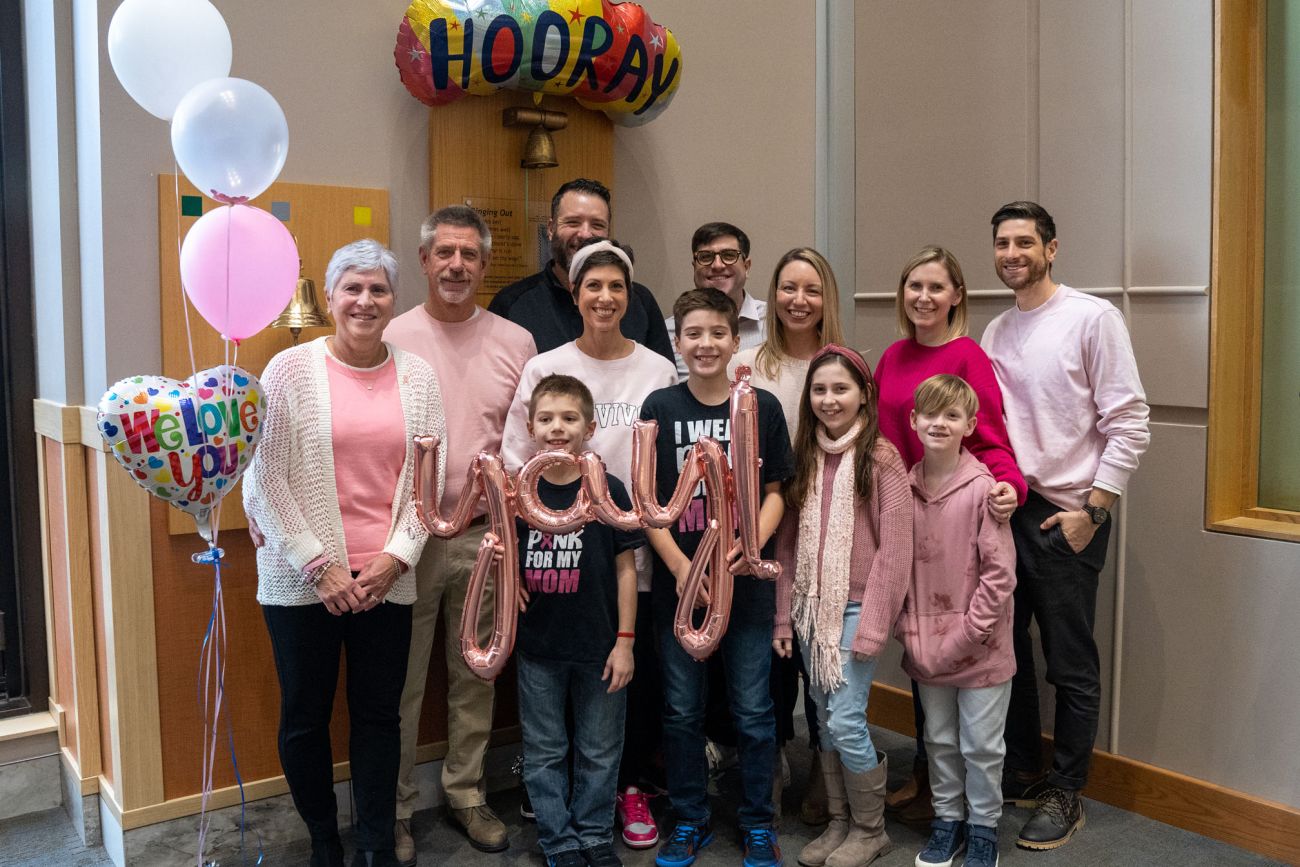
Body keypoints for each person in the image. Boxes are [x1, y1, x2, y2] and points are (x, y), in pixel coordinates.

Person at [244, 240, 445, 867]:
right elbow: (263, 479)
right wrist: (319, 565)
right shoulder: (288, 370)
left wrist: (397, 558)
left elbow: (428, 482)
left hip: (386, 578)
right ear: (329, 299)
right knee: (305, 717)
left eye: (378, 289)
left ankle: (379, 844)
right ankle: (325, 842)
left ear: (394, 300)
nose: (365, 300)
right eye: (352, 289)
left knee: (380, 718)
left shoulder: (419, 375)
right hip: (302, 582)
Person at [981, 201, 1149, 850]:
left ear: (1052, 249)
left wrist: (1094, 511)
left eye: (1025, 241)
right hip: (1011, 508)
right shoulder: (997, 331)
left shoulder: (1091, 318)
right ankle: (1023, 768)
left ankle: (1066, 790)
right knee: (1008, 649)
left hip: (1069, 515)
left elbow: (1130, 420)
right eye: (1002, 242)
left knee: (1070, 662)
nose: (1012, 252)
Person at [500, 238, 677, 850]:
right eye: (592, 286)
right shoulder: (544, 367)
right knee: (552, 717)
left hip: (631, 559)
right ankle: (557, 823)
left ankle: (616, 802)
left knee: (628, 690)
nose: (605, 297)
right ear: (573, 295)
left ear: (631, 296)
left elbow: (668, 460)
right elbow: (514, 468)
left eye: (617, 287)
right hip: (553, 569)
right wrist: (515, 564)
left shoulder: (657, 367)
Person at [384, 205, 536, 862]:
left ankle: (467, 791)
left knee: (475, 673)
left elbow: (527, 445)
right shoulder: (391, 335)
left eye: (469, 255)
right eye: (444, 252)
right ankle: (392, 809)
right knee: (401, 681)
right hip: (407, 541)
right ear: (424, 260)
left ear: (483, 264)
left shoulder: (515, 340)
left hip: (485, 536)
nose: (456, 265)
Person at [872, 246, 1025, 824]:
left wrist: (1008, 488)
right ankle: (937, 792)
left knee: (969, 653)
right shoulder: (890, 356)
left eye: (937, 287)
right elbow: (881, 444)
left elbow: (990, 436)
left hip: (962, 509)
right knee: (923, 651)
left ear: (956, 295)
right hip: (906, 506)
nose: (924, 297)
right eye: (914, 285)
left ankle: (978, 810)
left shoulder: (967, 355)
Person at [640, 288, 793, 867]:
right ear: (679, 343)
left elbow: (778, 491)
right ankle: (689, 818)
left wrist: (746, 546)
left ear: (736, 341)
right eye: (693, 334)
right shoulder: (659, 407)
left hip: (747, 589)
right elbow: (650, 504)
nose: (705, 344)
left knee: (754, 710)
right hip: (683, 590)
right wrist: (682, 568)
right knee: (681, 711)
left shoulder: (761, 408)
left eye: (716, 334)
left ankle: (757, 822)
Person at [772, 345, 912, 867]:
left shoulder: (882, 458)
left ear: (864, 395)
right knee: (826, 720)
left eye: (841, 389)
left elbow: (896, 551)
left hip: (855, 609)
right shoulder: (804, 456)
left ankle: (871, 830)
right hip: (810, 607)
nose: (830, 400)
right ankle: (839, 822)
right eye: (820, 389)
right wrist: (783, 615)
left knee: (848, 719)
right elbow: (785, 545)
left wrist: (874, 625)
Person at [729, 247, 848, 826]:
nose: (799, 301)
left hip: (829, 533)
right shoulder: (747, 363)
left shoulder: (843, 365)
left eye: (812, 289)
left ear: (827, 298)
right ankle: (771, 764)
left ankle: (827, 774)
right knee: (772, 657)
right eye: (788, 288)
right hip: (766, 528)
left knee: (822, 659)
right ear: (772, 296)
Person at [511, 374, 644, 867]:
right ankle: (558, 840)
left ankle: (591, 834)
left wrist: (625, 641)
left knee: (600, 750)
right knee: (545, 750)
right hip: (538, 649)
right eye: (546, 419)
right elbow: (502, 555)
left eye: (569, 418)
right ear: (530, 427)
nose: (557, 428)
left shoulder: (606, 488)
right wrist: (511, 579)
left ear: (589, 427)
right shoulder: (520, 491)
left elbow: (626, 569)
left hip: (601, 648)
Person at [897, 375, 1017, 867]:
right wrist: (908, 628)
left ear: (970, 424)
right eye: (931, 413)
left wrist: (969, 633)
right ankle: (947, 820)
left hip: (981, 646)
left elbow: (1000, 574)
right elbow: (895, 568)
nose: (939, 423)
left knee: (982, 745)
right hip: (924, 643)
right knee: (939, 739)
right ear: (913, 421)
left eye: (952, 416)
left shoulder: (984, 490)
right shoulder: (901, 489)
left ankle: (983, 825)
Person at [489, 178, 674, 363]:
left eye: (597, 225)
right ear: (551, 229)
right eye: (573, 222)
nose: (585, 234)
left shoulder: (640, 301)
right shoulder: (511, 305)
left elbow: (663, 383)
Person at [666, 222, 768, 379]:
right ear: (694, 267)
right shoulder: (669, 332)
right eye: (706, 257)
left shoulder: (773, 323)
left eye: (729, 255)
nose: (718, 265)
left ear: (747, 267)